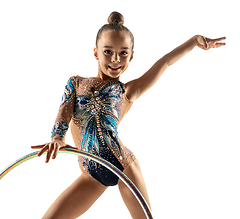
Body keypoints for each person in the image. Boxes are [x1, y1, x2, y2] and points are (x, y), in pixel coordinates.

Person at [31, 11, 226, 219]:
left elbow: (165, 62)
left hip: (123, 166)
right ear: (96, 52)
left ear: (131, 56)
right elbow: (63, 114)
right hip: (91, 173)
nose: (116, 59)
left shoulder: (127, 91)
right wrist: (57, 138)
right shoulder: (76, 83)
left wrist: (194, 41)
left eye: (123, 53)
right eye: (108, 51)